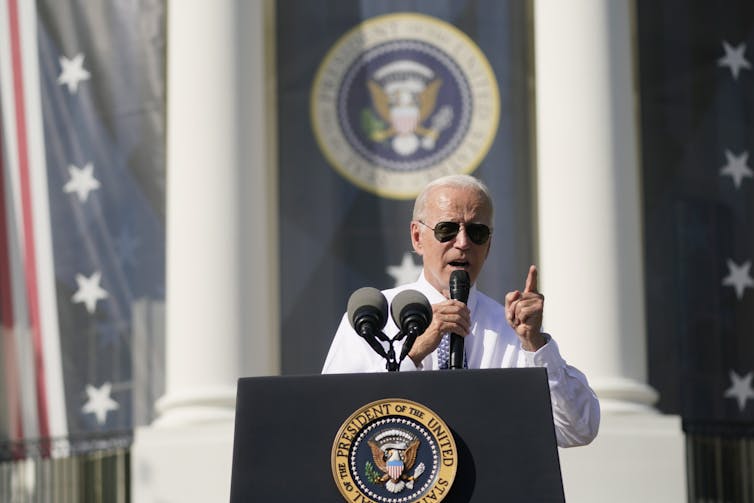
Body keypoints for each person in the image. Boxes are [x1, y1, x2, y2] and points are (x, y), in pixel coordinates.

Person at [322, 174, 599, 447]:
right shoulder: (372, 318)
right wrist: (412, 353)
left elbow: (577, 429)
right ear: (417, 237)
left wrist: (535, 344)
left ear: (488, 245)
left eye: (477, 232)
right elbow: (332, 418)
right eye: (447, 229)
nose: (463, 242)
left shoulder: (512, 332)